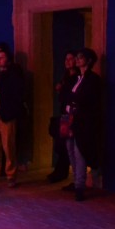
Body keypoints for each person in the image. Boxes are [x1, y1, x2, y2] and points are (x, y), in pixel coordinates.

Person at [65, 47, 101, 201]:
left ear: (89, 60)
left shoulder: (93, 79)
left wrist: (74, 104)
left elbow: (88, 100)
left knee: (80, 152)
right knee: (70, 150)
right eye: (77, 57)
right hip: (71, 119)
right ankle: (76, 181)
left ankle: (80, 186)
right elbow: (67, 96)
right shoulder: (77, 78)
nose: (77, 59)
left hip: (83, 122)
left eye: (81, 57)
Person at [0, 44, 25, 187]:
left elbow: (16, 96)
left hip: (7, 115)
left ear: (8, 60)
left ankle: (11, 175)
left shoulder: (13, 74)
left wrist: (4, 110)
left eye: (2, 57)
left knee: (8, 146)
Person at [47, 50, 79, 183]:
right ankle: (61, 171)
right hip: (64, 114)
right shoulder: (65, 77)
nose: (67, 61)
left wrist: (62, 89)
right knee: (62, 144)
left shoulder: (77, 78)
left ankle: (68, 174)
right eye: (66, 59)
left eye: (71, 59)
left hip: (72, 115)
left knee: (68, 145)